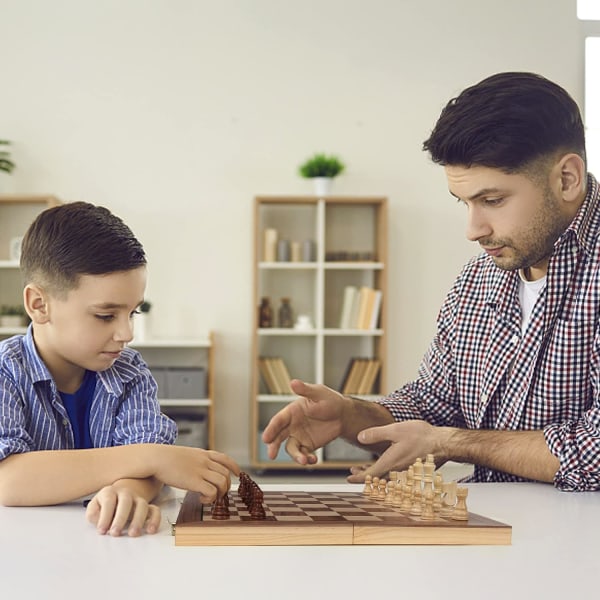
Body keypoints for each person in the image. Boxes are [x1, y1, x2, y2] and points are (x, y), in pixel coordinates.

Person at [263, 71, 600, 492]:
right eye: (465, 203)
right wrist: (350, 415)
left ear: (567, 178)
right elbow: (433, 406)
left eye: (492, 200)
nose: (473, 229)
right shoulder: (479, 279)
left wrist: (454, 444)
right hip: (502, 540)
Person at [0, 201, 239, 535]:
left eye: (133, 313)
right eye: (105, 315)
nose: (127, 334)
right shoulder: (5, 372)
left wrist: (128, 492)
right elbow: (8, 480)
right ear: (39, 305)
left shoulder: (130, 372)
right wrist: (152, 457)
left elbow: (151, 475)